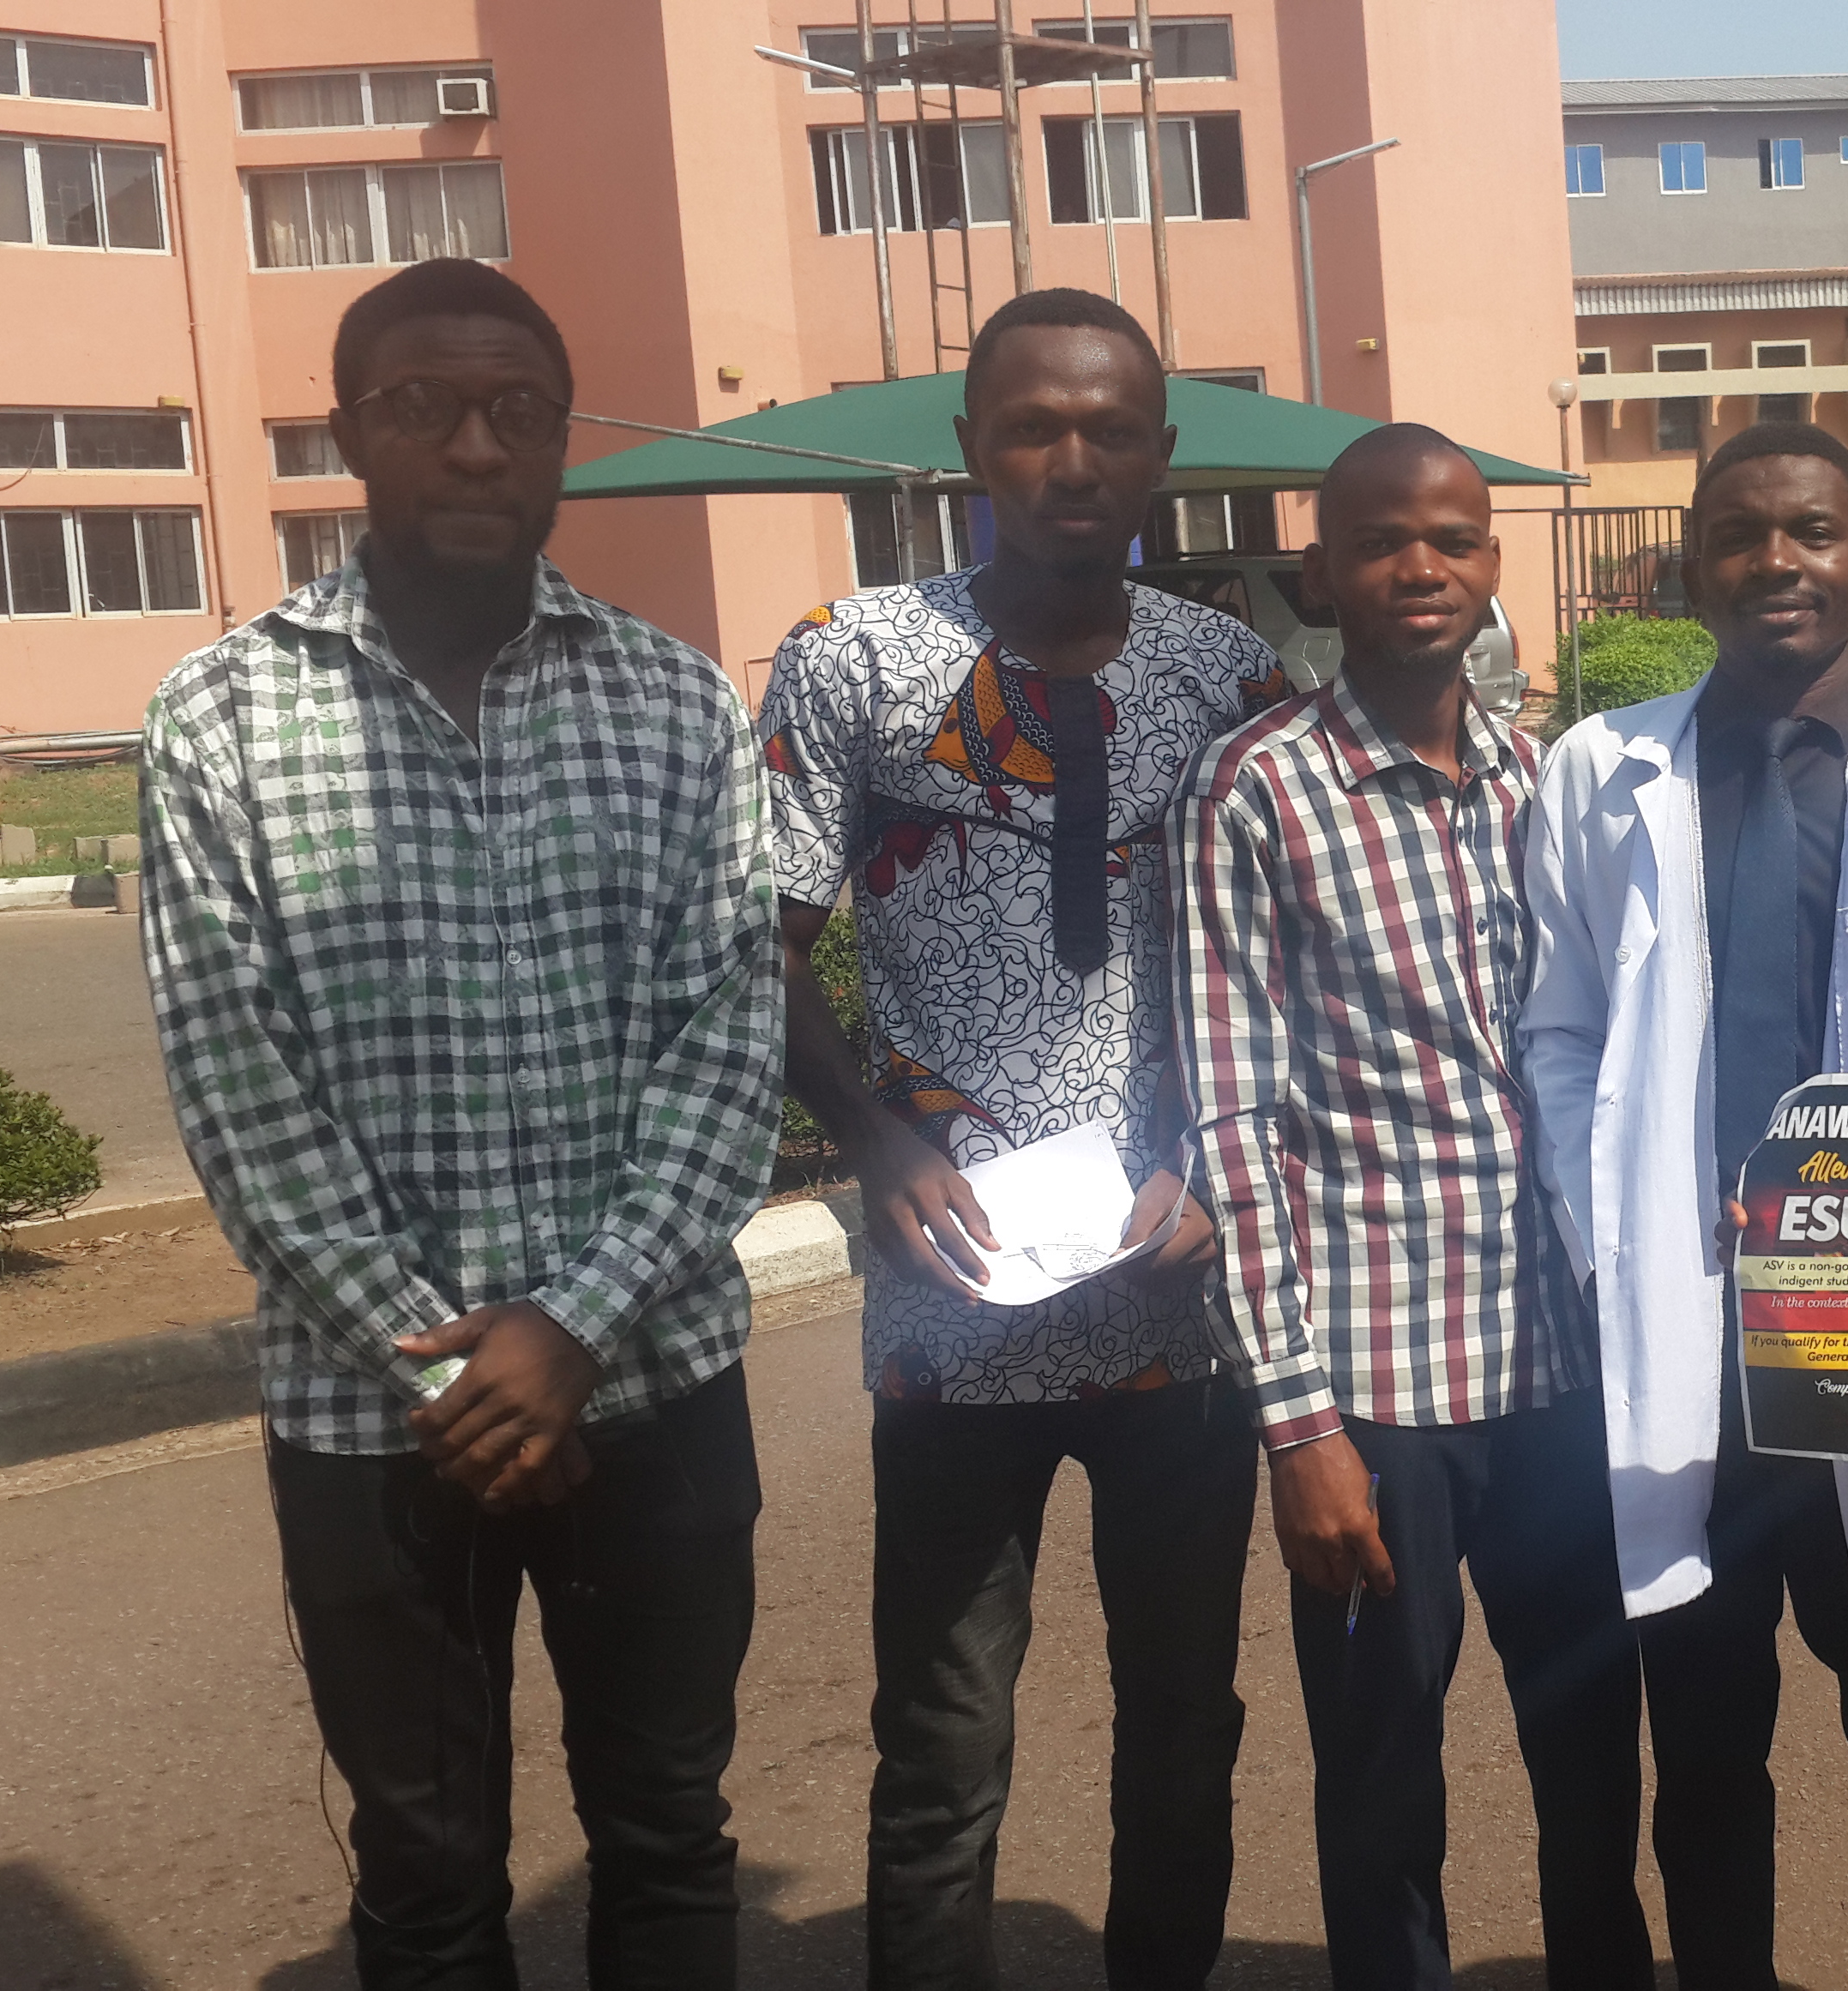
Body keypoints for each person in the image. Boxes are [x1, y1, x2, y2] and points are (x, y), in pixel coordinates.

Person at [140, 258, 784, 1985]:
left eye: (520, 412)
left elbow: (728, 1044)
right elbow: (236, 1083)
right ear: (350, 432)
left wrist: (573, 1330)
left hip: (653, 1385)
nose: (478, 447)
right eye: (425, 408)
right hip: (372, 1419)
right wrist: (454, 1376)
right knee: (425, 1874)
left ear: (564, 438)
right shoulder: (222, 715)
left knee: (670, 1834)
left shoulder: (674, 704)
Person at [758, 287, 1264, 1991]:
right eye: (1034, 426)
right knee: (943, 1735)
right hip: (951, 1303)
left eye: (1110, 430)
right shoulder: (855, 658)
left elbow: (1284, 966)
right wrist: (871, 1142)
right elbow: (760, 945)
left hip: (1176, 1309)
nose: (1072, 460)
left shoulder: (1224, 675)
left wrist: (1224, 1165)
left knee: (1185, 1721)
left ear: (1161, 457)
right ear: (968, 446)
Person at [1520, 421, 1848, 1991]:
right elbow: (1560, 1021)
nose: (1776, 562)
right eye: (1739, 534)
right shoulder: (1599, 768)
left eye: (1811, 531)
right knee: (1705, 1744)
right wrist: (1603, 1235)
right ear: (1691, 567)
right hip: (1692, 1338)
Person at [1171, 424, 1650, 1990]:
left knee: (1594, 1748)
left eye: (1452, 537)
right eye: (1382, 541)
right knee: (1383, 1774)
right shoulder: (1256, 789)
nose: (1421, 567)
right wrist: (1296, 1424)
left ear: (1493, 562)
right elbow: (1234, 1117)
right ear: (1322, 573)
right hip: (1379, 1385)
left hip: (1562, 1363)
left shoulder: (1545, 782)